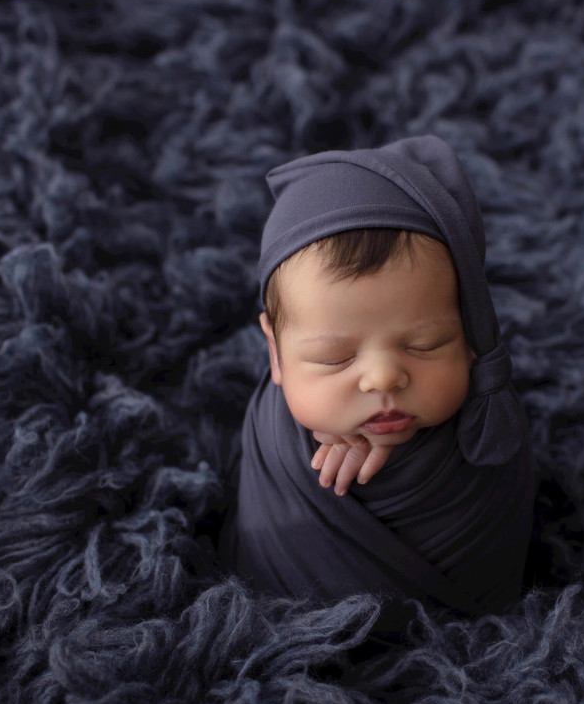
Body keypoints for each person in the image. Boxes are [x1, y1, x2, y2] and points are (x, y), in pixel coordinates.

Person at [225, 134, 536, 629]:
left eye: (426, 344)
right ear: (276, 354)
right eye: (334, 357)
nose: (384, 376)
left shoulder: (490, 435)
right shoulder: (272, 440)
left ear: (474, 333)